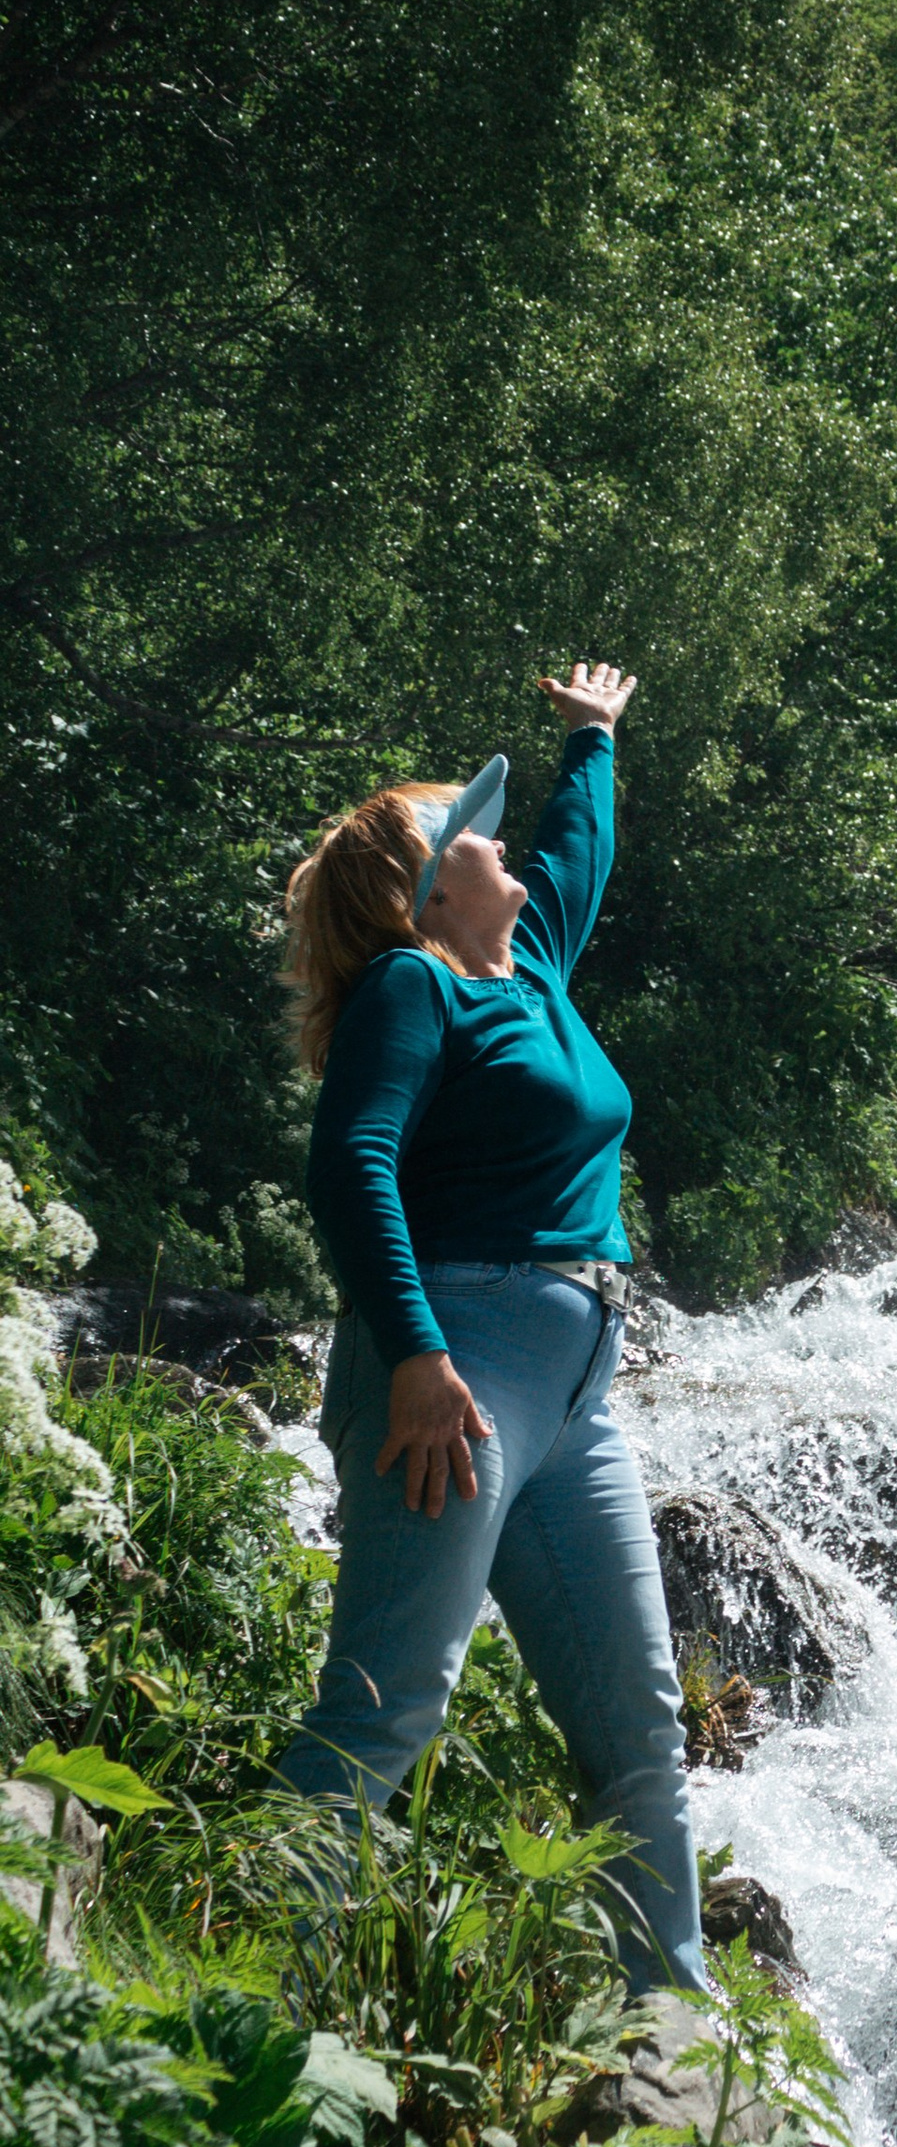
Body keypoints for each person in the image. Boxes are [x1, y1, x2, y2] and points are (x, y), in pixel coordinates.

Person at [274, 661, 708, 1994]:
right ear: (427, 889)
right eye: (474, 823)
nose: (504, 834)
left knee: (638, 1720)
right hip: (454, 1363)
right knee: (389, 1707)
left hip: (575, 1386)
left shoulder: (529, 974)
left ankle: (674, 2035)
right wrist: (414, 1356)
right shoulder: (419, 989)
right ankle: (238, 1964)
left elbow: (577, 852)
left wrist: (592, 740)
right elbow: (349, 1162)